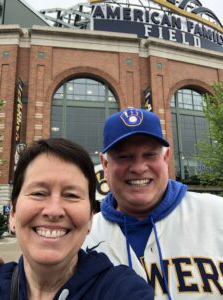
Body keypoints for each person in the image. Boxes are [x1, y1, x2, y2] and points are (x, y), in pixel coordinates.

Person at [83, 107, 223, 300]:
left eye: (150, 155)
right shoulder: (84, 237)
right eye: (124, 156)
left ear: (165, 158)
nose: (139, 168)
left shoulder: (217, 214)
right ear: (105, 165)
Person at [0, 138, 154, 300]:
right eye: (38, 193)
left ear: (90, 219)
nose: (54, 211)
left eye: (71, 195)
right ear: (13, 214)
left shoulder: (122, 290)